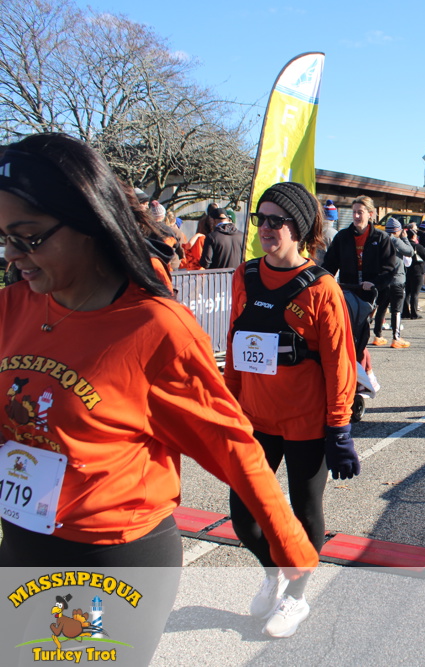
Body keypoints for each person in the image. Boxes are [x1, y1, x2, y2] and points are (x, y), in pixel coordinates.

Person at [0, 134, 318, 659]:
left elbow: (228, 441)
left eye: (28, 238)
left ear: (89, 223)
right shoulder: (12, 306)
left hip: (112, 559)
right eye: (5, 238)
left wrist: (288, 538)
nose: (13, 256)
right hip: (22, 541)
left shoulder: (155, 327)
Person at [225, 181, 359, 637]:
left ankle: (297, 598)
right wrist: (228, 406)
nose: (265, 228)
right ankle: (273, 573)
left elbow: (340, 363)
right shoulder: (243, 276)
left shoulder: (321, 288)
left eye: (276, 221)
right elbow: (236, 345)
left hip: (306, 424)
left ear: (298, 229)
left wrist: (339, 429)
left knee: (304, 513)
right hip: (255, 419)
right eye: (260, 219)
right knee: (244, 516)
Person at [321, 195, 396, 357]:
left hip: (371, 293)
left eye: (360, 212)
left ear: (370, 214)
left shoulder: (381, 238)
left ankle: (359, 360)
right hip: (348, 290)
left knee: (361, 331)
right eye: (354, 212)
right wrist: (324, 281)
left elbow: (389, 269)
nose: (355, 216)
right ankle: (351, 360)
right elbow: (329, 264)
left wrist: (375, 284)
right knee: (346, 329)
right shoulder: (343, 237)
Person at [370, 217, 412, 348]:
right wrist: (405, 238)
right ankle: (396, 337)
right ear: (397, 230)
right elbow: (410, 251)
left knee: (381, 308)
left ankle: (378, 336)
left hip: (383, 280)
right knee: (396, 310)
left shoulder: (380, 239)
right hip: (397, 279)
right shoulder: (395, 240)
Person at [403, 227, 425, 319]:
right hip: (417, 271)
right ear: (414, 236)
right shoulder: (417, 246)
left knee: (407, 293)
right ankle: (414, 313)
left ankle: (405, 312)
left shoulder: (404, 246)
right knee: (415, 293)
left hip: (406, 271)